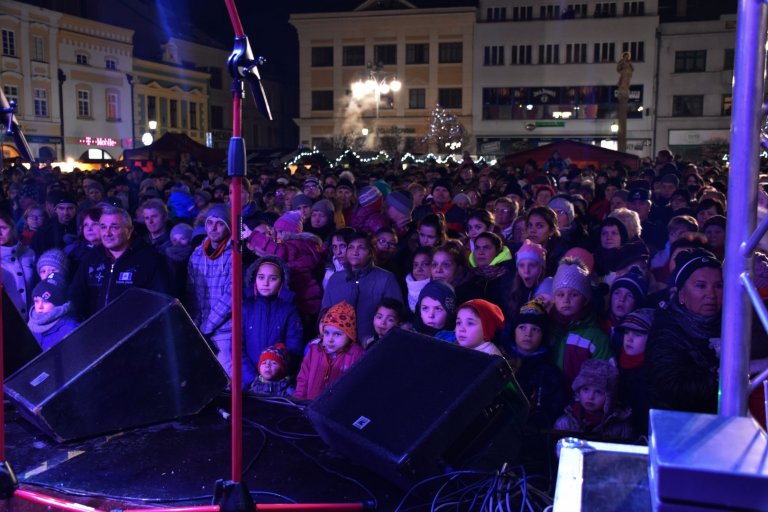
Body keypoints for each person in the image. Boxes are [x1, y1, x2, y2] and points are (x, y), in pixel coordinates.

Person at [646, 249, 723, 414]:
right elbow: (672, 386)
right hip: (677, 425)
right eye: (701, 286)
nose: (711, 294)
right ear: (681, 294)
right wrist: (723, 376)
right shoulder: (666, 331)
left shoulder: (733, 326)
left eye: (718, 286)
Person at [69, 206, 168, 319]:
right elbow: (76, 295)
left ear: (129, 231)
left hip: (133, 332)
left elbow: (160, 302)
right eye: (103, 227)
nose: (107, 233)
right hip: (95, 331)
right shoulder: (91, 258)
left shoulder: (149, 259)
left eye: (114, 227)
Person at [246, 210, 324, 334]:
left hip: (305, 298)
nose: (277, 236)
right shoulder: (303, 246)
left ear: (292, 232)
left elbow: (279, 251)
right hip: (305, 296)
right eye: (276, 232)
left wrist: (253, 236)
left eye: (281, 232)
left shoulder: (295, 246)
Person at [321, 230, 403, 343]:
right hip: (340, 348)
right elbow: (324, 313)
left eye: (361, 248)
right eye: (351, 247)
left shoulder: (386, 279)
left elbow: (396, 315)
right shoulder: (336, 279)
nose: (355, 252)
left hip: (373, 347)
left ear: (370, 252)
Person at [186, 204, 234, 375]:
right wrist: (195, 324)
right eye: (210, 223)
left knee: (226, 376)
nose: (213, 228)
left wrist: (208, 325)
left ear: (228, 226)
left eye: (219, 223)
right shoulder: (197, 255)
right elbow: (191, 294)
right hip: (201, 328)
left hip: (225, 331)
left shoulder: (234, 254)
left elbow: (232, 296)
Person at [550, 257, 611, 389]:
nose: (566, 300)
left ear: (585, 299)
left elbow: (605, 378)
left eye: (574, 295)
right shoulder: (547, 328)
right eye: (560, 294)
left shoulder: (596, 338)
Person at [242, 255, 303, 383]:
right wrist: (252, 379)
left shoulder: (289, 310)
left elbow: (294, 347)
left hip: (279, 381)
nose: (266, 283)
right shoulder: (246, 308)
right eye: (261, 277)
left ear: (282, 281)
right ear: (254, 279)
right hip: (250, 381)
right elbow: (237, 348)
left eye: (273, 278)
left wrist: (278, 373)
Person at [508, 299, 565, 429]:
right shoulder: (502, 362)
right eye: (522, 327)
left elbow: (552, 410)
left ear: (543, 335)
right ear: (514, 331)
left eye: (535, 329)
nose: (528, 334)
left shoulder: (550, 373)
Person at [293, 301, 365, 401]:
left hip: (338, 411)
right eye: (327, 333)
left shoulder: (356, 355)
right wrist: (299, 402)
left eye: (337, 334)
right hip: (310, 407)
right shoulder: (314, 351)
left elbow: (358, 387)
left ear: (349, 335)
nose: (330, 339)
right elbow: (303, 380)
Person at [554, 359, 633, 439]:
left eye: (598, 392)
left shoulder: (620, 428)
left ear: (609, 397)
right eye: (586, 389)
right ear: (578, 392)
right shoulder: (565, 424)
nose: (591, 397)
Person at [616, 308, 655, 434]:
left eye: (638, 334)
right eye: (627, 332)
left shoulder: (651, 377)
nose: (629, 339)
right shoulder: (614, 365)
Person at [27, 273, 80, 351]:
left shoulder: (71, 328)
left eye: (46, 301)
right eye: (36, 301)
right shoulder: (31, 323)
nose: (39, 306)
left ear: (58, 303)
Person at [0, 210, 35, 318]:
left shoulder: (29, 253)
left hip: (32, 319)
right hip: (7, 322)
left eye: (3, 228)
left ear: (12, 228)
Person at [406, 246, 432, 312]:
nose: (419, 269)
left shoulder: (437, 290)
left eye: (425, 264)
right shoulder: (405, 286)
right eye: (416, 265)